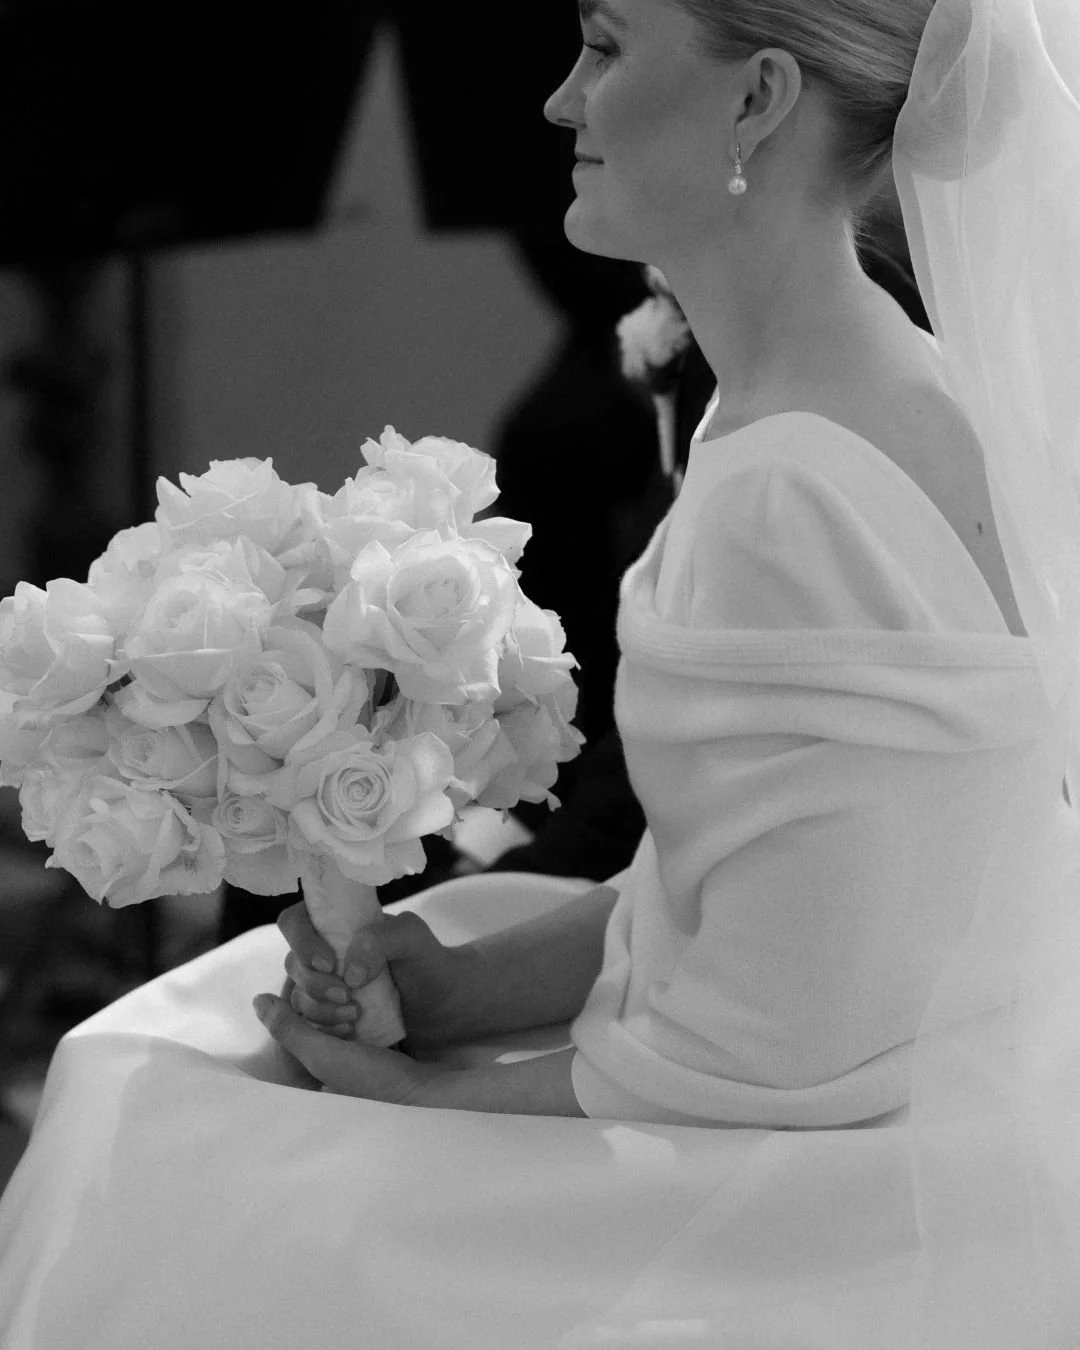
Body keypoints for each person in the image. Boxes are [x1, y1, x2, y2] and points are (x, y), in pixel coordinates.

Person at [3, 2, 1079, 1345]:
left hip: (803, 1180)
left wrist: (423, 1113)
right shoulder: (863, 396)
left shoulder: (792, 487)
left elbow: (758, 1060)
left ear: (756, 100)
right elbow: (747, 886)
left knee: (148, 1115)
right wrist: (454, 988)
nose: (562, 102)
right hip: (865, 1085)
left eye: (607, 47)